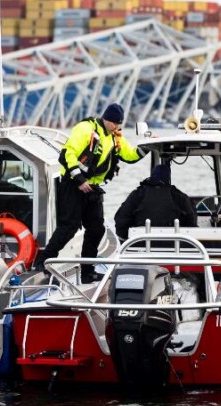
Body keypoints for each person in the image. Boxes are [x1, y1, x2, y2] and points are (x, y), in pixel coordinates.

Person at [35, 102, 144, 282]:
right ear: (107, 120)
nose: (117, 127)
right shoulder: (85, 129)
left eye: (119, 124)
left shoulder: (115, 137)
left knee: (96, 229)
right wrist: (80, 180)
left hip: (92, 188)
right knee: (68, 227)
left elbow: (131, 155)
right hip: (72, 184)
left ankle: (87, 272)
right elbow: (66, 155)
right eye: (115, 123)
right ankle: (42, 261)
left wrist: (147, 147)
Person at [114, 163, 197, 242]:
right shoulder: (179, 196)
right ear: (168, 178)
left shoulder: (137, 195)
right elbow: (191, 223)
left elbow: (121, 220)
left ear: (152, 176)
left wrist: (127, 239)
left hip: (139, 246)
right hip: (175, 246)